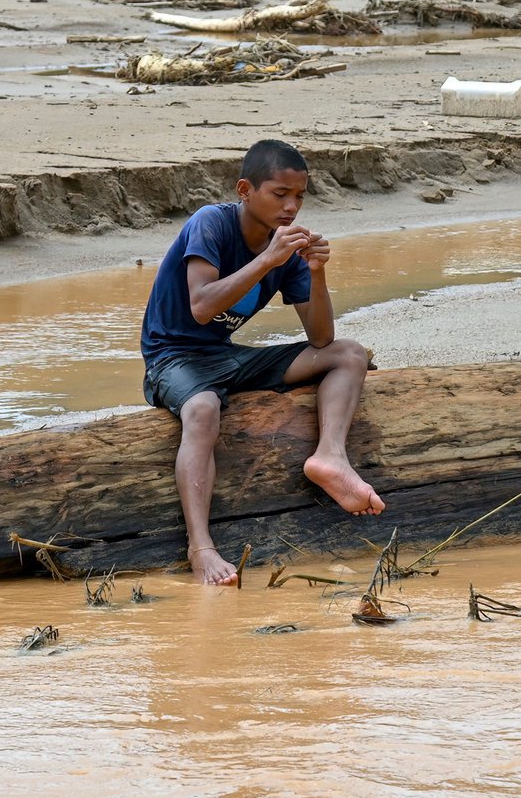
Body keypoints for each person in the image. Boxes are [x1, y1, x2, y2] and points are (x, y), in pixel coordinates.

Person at [140, 139, 386, 585]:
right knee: (202, 408)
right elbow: (201, 306)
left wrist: (315, 272)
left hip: (224, 358)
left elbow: (320, 337)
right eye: (280, 194)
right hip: (171, 358)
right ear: (245, 190)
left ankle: (330, 458)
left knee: (348, 353)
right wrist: (269, 258)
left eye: (300, 196)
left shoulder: (287, 249)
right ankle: (201, 549)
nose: (291, 207)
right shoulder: (210, 224)